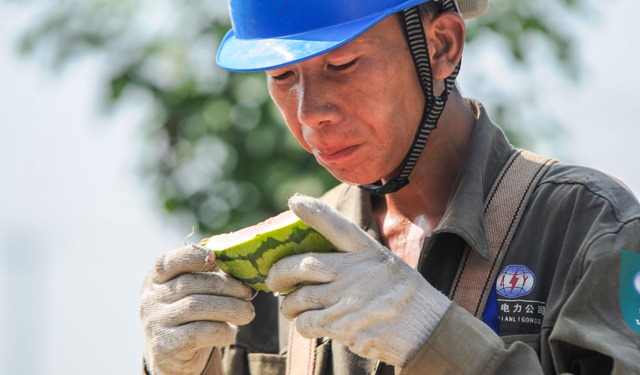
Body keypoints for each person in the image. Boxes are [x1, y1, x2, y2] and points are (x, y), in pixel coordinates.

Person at [139, 0, 640, 374]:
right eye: (283, 75)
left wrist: (436, 337)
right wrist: (174, 366)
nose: (311, 111)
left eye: (342, 65)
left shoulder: (589, 228)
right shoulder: (277, 262)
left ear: (442, 46)